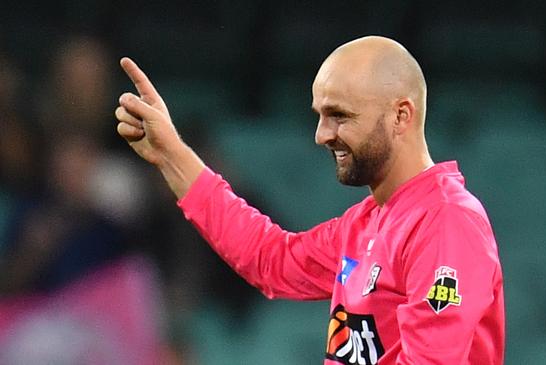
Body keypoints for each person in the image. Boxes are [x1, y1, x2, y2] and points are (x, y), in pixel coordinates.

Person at [115, 35, 505, 364]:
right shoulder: (367, 222)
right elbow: (271, 259)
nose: (321, 134)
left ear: (401, 116)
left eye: (340, 115)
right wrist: (171, 155)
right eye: (320, 115)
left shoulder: (445, 220)